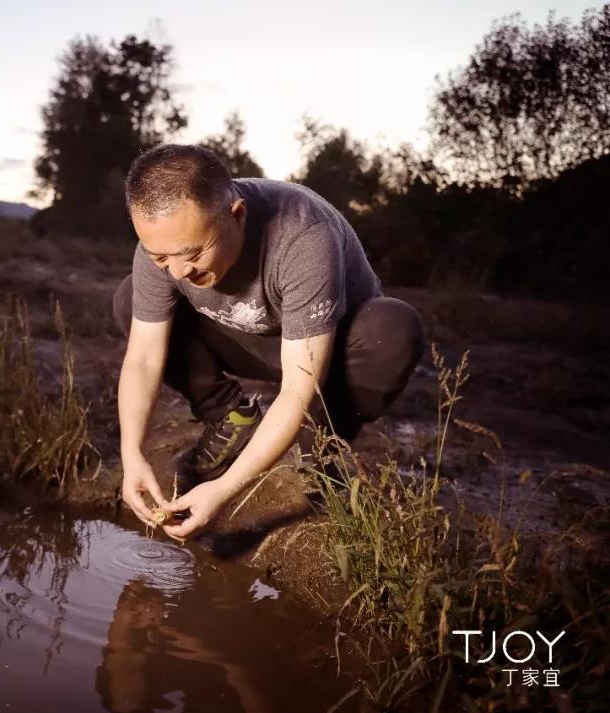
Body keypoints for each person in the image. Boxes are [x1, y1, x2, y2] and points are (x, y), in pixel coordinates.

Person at [113, 144, 425, 542]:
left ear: (236, 215)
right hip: (251, 342)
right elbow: (142, 358)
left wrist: (224, 490)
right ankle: (229, 417)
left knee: (394, 327)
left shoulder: (303, 235)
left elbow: (299, 389)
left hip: (331, 351)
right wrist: (132, 454)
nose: (177, 271)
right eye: (160, 258)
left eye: (191, 253)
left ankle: (320, 447)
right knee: (130, 300)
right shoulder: (163, 244)